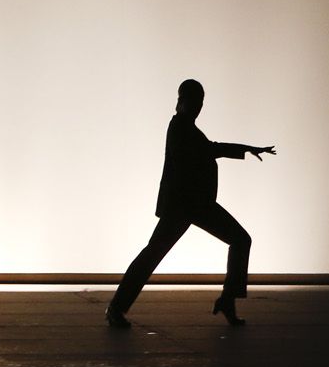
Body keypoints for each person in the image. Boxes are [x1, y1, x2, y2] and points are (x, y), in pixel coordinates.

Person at [106, 78, 275, 328]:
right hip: (184, 207)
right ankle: (116, 308)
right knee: (152, 255)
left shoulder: (185, 128)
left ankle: (228, 299)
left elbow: (209, 149)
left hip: (196, 205)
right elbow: (206, 151)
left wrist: (246, 149)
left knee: (238, 240)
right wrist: (245, 149)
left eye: (200, 101)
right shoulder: (179, 128)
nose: (198, 106)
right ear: (183, 101)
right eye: (194, 101)